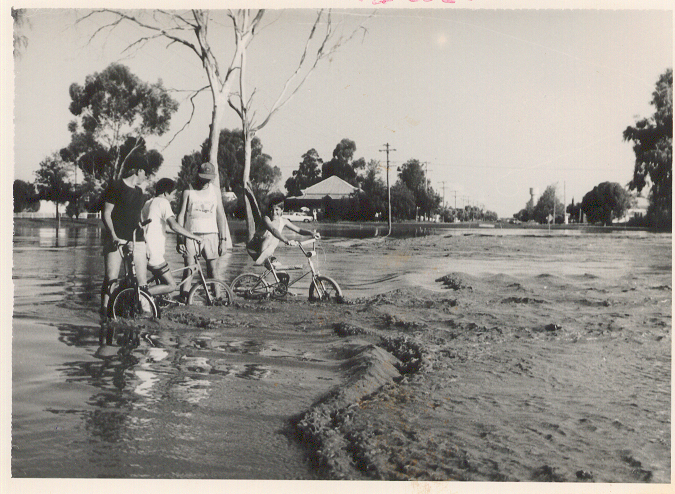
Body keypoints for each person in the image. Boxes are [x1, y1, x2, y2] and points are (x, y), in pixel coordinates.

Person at [100, 161, 150, 316]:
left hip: (137, 240)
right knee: (111, 278)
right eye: (145, 173)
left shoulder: (140, 192)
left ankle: (145, 313)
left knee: (141, 281)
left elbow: (139, 217)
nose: (146, 177)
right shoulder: (116, 186)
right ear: (139, 170)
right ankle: (105, 311)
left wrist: (146, 242)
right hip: (116, 238)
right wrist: (113, 235)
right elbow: (106, 213)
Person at [176, 162, 231, 301]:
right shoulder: (188, 190)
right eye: (203, 178)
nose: (205, 182)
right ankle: (184, 300)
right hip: (191, 234)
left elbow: (220, 215)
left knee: (213, 269)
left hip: (211, 235)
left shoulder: (216, 190)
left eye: (208, 179)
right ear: (198, 175)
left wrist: (223, 240)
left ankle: (217, 298)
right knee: (189, 270)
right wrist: (180, 239)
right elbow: (180, 215)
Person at [141, 178, 203, 298]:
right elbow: (174, 225)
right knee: (171, 285)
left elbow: (162, 227)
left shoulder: (148, 203)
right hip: (154, 253)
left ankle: (150, 298)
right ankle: (141, 295)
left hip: (144, 249)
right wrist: (194, 237)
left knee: (163, 282)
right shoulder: (163, 203)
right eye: (173, 193)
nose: (174, 196)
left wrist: (184, 235)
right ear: (165, 193)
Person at [243, 182, 319, 268]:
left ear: (282, 210)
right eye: (272, 210)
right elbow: (273, 230)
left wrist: (312, 233)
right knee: (272, 236)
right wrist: (287, 241)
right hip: (254, 249)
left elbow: (299, 230)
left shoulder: (283, 221)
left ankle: (273, 263)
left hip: (268, 251)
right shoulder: (266, 219)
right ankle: (267, 257)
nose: (274, 212)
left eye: (277, 210)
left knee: (283, 277)